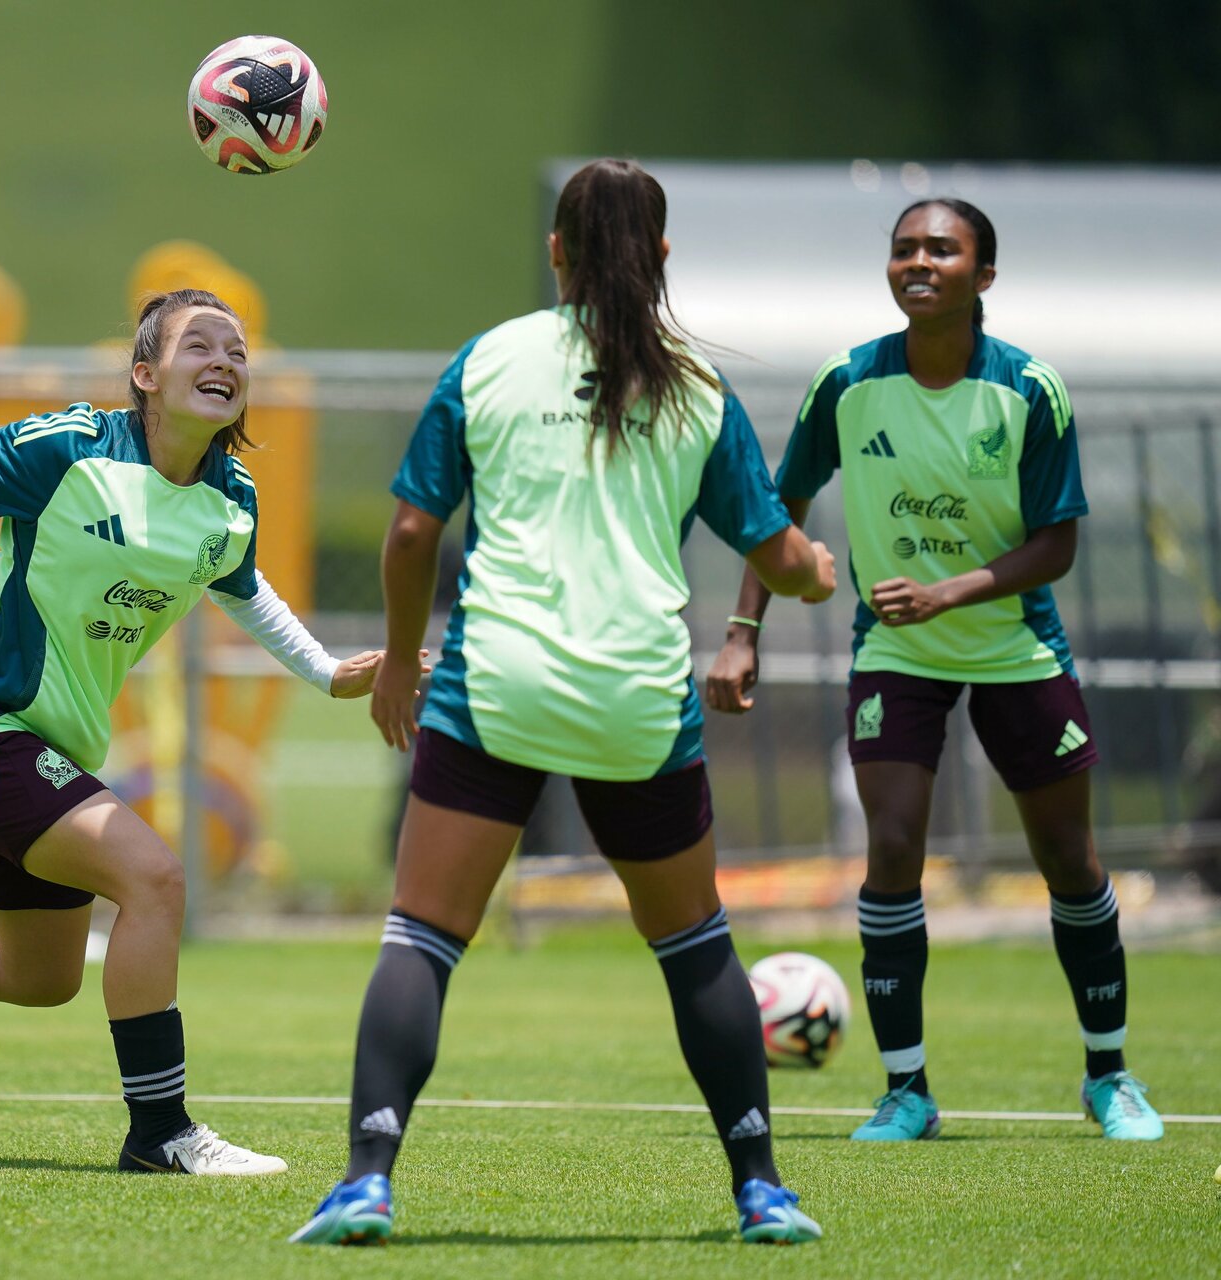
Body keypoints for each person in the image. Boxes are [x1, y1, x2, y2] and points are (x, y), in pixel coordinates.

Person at [291, 159, 836, 1248]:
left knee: (421, 937)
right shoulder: (696, 385)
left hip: (497, 686)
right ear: (663, 255)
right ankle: (762, 1189)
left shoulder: (491, 359)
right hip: (636, 699)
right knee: (696, 945)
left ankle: (365, 1181)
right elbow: (778, 553)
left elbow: (412, 531)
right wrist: (815, 571)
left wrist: (396, 662)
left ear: (556, 252)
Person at [0, 289, 408, 1175]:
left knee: (39, 977)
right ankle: (161, 1133)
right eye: (199, 345)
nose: (223, 361)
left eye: (237, 351)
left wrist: (326, 671)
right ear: (146, 375)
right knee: (156, 880)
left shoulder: (230, 497)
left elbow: (242, 588)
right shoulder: (74, 448)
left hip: (51, 748)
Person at [706, 198, 1162, 1143]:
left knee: (1069, 860)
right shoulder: (848, 381)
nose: (919, 262)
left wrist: (949, 593)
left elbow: (1058, 546)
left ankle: (1109, 1075)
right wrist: (744, 630)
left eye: (941, 251)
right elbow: (777, 510)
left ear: (982, 276)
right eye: (904, 248)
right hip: (895, 649)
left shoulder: (1029, 389)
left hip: (1015, 648)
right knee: (893, 848)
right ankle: (906, 1091)